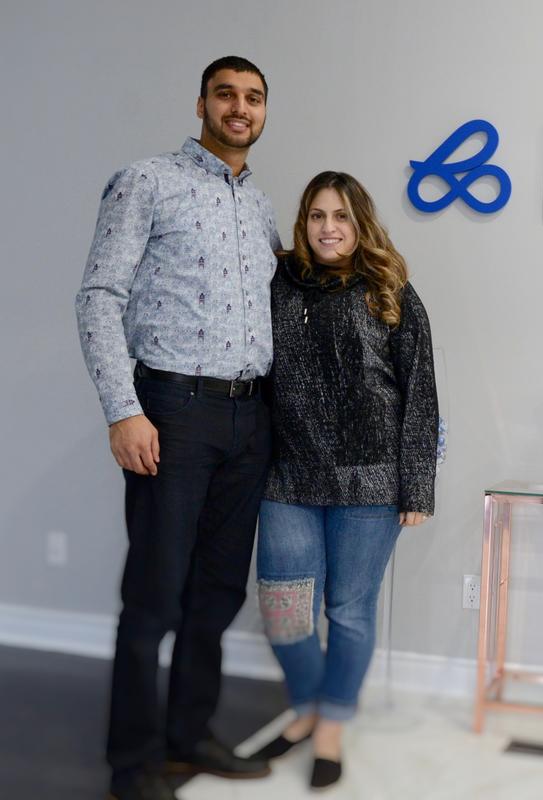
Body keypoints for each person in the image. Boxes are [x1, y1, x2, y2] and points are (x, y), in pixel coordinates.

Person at [75, 56, 278, 800]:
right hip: (174, 413)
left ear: (263, 113)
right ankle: (132, 765)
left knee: (217, 594)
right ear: (201, 103)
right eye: (227, 94)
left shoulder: (259, 206)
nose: (240, 108)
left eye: (253, 98)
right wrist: (124, 409)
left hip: (249, 420)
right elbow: (99, 294)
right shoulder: (147, 180)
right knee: (155, 596)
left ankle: (186, 740)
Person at [251, 172, 438, 790]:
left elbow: (421, 398)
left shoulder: (391, 291)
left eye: (341, 217)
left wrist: (416, 487)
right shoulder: (275, 284)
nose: (328, 228)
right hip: (289, 475)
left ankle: (329, 723)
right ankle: (306, 705)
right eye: (316, 216)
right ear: (302, 223)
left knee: (348, 612)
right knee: (284, 612)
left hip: (372, 481)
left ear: (361, 224)